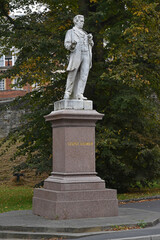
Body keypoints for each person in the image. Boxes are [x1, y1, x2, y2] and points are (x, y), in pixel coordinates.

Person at [64, 15, 94, 100]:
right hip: (77, 54)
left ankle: (80, 93)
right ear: (75, 21)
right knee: (72, 73)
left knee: (84, 75)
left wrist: (90, 40)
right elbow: (67, 44)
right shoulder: (71, 32)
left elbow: (91, 44)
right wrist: (72, 45)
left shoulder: (85, 33)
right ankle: (68, 92)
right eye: (81, 21)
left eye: (83, 21)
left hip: (86, 54)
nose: (82, 23)